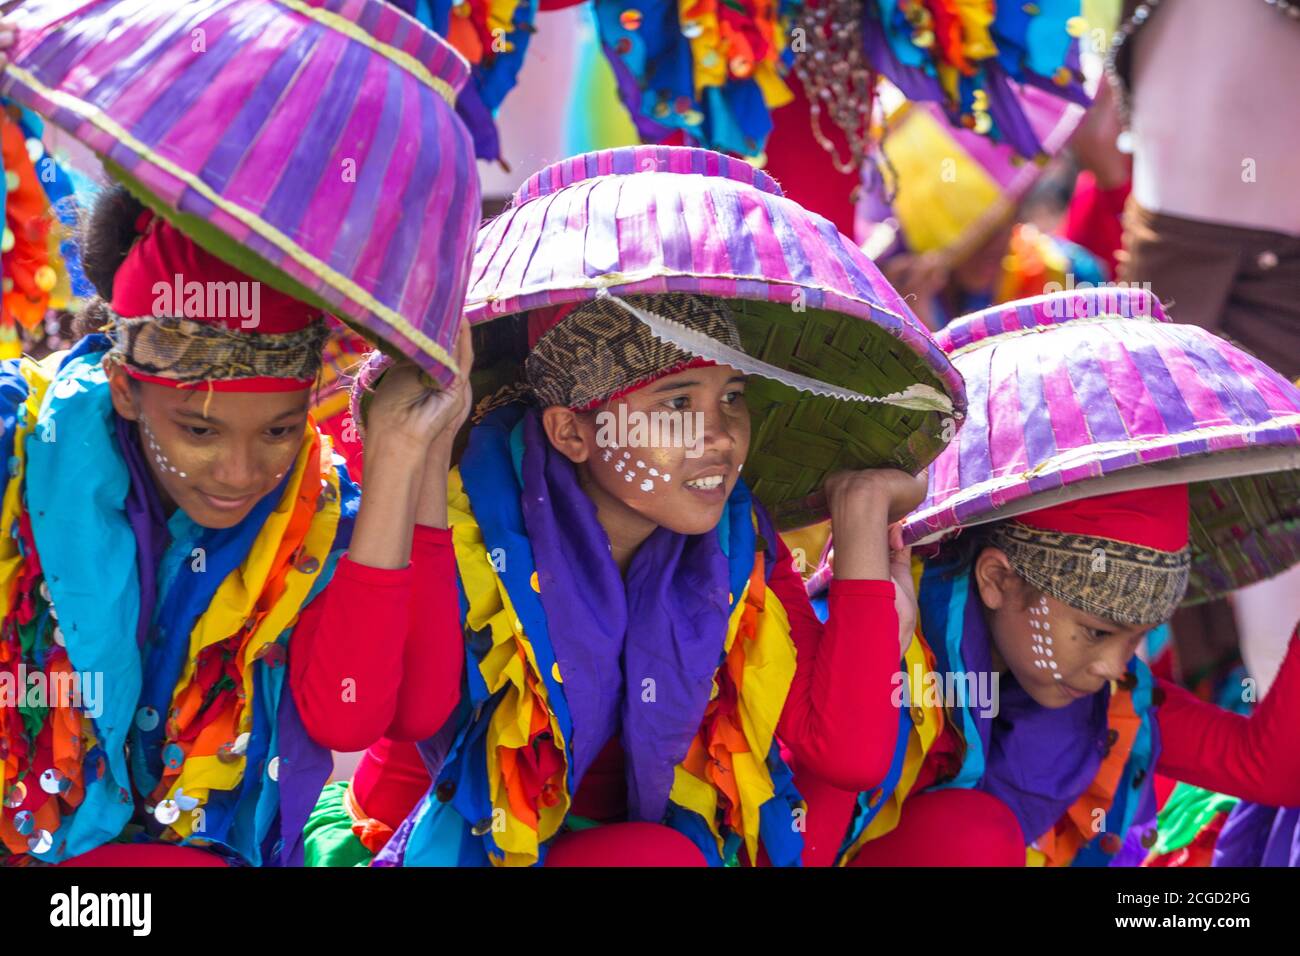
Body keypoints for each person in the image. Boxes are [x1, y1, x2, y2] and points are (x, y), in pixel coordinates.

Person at [307, 144, 967, 867]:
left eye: (734, 399)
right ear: (571, 430)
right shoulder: (473, 515)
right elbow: (395, 712)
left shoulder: (735, 541)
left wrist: (864, 521)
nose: (720, 438)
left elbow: (847, 756)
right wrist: (419, 460)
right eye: (678, 404)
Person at [810, 286, 1300, 866]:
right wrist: (869, 649)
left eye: (1138, 638)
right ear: (996, 579)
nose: (1113, 668)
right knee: (973, 834)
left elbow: (1265, 769)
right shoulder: (876, 638)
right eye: (1097, 631)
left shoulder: (1111, 701)